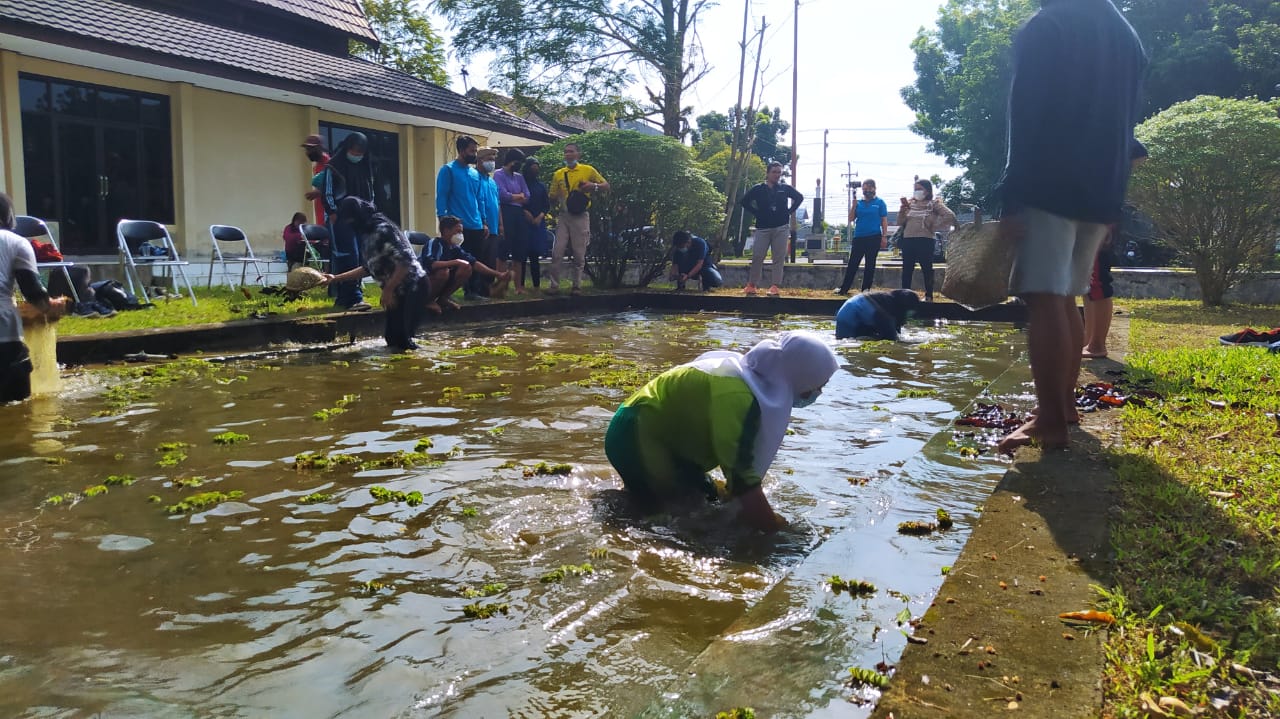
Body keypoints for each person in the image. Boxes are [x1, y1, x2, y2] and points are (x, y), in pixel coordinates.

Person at [995, 0, 1146, 454]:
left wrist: (1011, 194)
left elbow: (1025, 115)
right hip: (1100, 189)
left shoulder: (1048, 25)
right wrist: (1115, 200)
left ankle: (1050, 420)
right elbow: (1125, 121)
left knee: (1045, 297)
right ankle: (1063, 408)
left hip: (1049, 184)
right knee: (1066, 296)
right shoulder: (1126, 34)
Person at [604, 331, 839, 532]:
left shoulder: (747, 377)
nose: (818, 391)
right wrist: (777, 532)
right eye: (818, 384)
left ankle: (624, 502)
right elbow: (741, 480)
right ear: (800, 376)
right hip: (636, 436)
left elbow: (738, 478)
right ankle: (621, 517)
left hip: (655, 438)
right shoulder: (739, 397)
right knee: (677, 514)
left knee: (708, 498)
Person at [320, 197, 428, 351]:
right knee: (392, 339)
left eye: (350, 220)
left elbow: (405, 262)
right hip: (397, 290)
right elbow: (368, 268)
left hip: (414, 287)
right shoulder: (367, 235)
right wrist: (335, 278)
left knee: (403, 341)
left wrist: (388, 290)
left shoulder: (382, 229)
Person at [0, 192, 68, 403]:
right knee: (16, 410)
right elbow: (32, 292)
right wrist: (51, 306)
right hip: (4, 336)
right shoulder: (15, 242)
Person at [1083, 142, 1146, 359]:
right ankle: (1088, 341)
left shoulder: (1110, 138)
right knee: (1088, 285)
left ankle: (1097, 345)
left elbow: (1139, 154)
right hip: (1088, 219)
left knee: (1098, 282)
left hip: (1101, 220)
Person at [321, 132, 376, 311]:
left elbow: (371, 193)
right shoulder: (333, 166)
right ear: (347, 147)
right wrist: (333, 212)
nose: (357, 155)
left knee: (361, 257)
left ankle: (347, 297)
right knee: (348, 255)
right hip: (341, 219)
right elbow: (327, 192)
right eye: (354, 150)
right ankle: (353, 297)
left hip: (361, 219)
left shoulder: (365, 167)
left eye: (361, 152)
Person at [547, 142, 610, 296]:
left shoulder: (587, 170)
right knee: (557, 251)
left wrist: (592, 186)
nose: (568, 154)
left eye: (571, 152)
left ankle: (577, 285)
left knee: (579, 252)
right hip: (564, 215)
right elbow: (552, 195)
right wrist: (556, 197)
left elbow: (606, 185)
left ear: (578, 154)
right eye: (566, 152)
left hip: (581, 215)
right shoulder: (559, 174)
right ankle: (554, 285)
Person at [419, 215, 512, 313]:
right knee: (443, 272)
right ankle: (428, 301)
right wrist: (456, 262)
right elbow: (431, 264)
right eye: (457, 231)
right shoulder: (434, 243)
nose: (460, 235)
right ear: (446, 231)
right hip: (425, 280)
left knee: (466, 268)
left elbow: (474, 263)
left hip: (441, 279)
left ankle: (443, 299)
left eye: (461, 232)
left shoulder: (455, 248)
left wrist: (498, 275)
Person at [739, 162, 804, 297]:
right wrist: (756, 212)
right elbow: (744, 201)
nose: (777, 175)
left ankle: (775, 285)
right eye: (774, 172)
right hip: (763, 227)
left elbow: (799, 198)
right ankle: (752, 284)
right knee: (758, 255)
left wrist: (789, 211)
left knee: (778, 257)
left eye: (779, 172)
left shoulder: (784, 188)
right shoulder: (759, 189)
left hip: (781, 227)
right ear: (767, 173)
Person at [435, 136, 488, 301]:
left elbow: (479, 199)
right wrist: (443, 220)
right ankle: (446, 293)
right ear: (461, 150)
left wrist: (484, 221)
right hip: (457, 225)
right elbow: (442, 195)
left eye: (475, 151)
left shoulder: (475, 173)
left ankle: (473, 291)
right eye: (471, 151)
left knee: (475, 259)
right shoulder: (448, 170)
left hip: (476, 223)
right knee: (454, 260)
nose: (474, 154)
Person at [897, 179, 956, 302]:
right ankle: (904, 295)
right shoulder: (909, 204)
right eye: (915, 189)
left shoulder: (934, 204)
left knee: (927, 268)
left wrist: (934, 226)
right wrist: (902, 211)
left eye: (919, 189)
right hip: (908, 239)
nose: (916, 191)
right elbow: (900, 222)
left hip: (926, 240)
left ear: (927, 190)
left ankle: (929, 295)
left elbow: (950, 215)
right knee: (907, 268)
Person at [835, 179, 889, 296]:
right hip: (859, 237)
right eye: (864, 189)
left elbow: (884, 220)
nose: (867, 191)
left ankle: (866, 289)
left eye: (869, 188)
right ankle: (844, 288)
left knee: (870, 263)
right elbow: (850, 219)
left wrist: (884, 236)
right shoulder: (859, 203)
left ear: (874, 189)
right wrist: (853, 206)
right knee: (853, 263)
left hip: (874, 236)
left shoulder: (880, 203)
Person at [493, 149, 531, 294]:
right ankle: (501, 284)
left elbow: (527, 196)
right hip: (505, 212)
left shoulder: (519, 177)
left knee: (519, 250)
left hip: (518, 213)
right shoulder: (498, 174)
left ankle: (518, 287)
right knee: (503, 248)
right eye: (518, 162)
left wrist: (516, 196)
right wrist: (518, 196)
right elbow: (502, 195)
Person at [473, 147, 504, 299]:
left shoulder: (491, 182)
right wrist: (483, 222)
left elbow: (497, 204)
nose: (492, 162)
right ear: (480, 160)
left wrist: (500, 224)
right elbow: (477, 202)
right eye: (489, 158)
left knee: (491, 260)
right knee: (480, 260)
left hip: (493, 228)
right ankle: (475, 290)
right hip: (480, 226)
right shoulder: (474, 178)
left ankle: (487, 290)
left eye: (493, 159)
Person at [835, 289, 920, 341]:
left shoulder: (886, 299)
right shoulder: (887, 313)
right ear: (905, 307)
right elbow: (891, 337)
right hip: (851, 316)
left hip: (845, 313)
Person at [522, 156, 551, 290]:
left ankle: (536, 286)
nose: (535, 170)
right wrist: (525, 213)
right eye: (532, 167)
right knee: (521, 255)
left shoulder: (541, 186)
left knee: (535, 255)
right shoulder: (520, 183)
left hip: (538, 223)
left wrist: (540, 216)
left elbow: (546, 205)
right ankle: (520, 284)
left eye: (536, 167)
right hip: (523, 222)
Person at [301, 134, 330, 224]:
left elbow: (339, 188)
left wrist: (319, 192)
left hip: (329, 214)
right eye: (307, 149)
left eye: (310, 149)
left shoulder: (330, 164)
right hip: (320, 213)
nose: (308, 152)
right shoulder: (317, 166)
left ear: (319, 148)